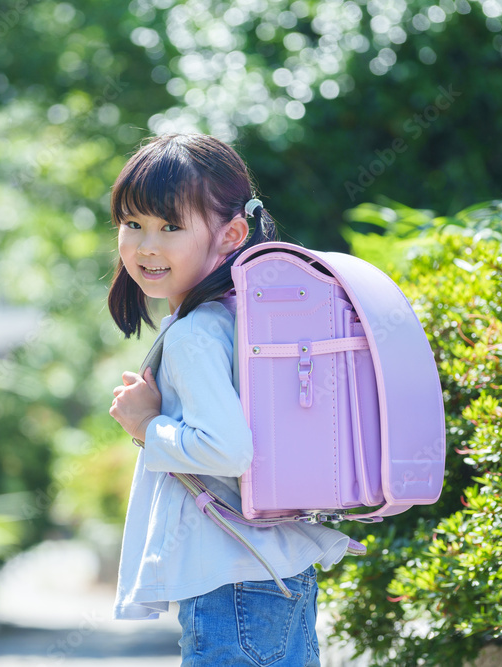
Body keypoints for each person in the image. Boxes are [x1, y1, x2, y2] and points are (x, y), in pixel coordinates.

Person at [106, 133, 351, 666]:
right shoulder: (243, 315)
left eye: (171, 226)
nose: (147, 245)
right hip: (271, 568)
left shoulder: (197, 331)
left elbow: (227, 450)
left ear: (231, 233)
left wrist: (146, 425)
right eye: (133, 224)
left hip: (234, 583)